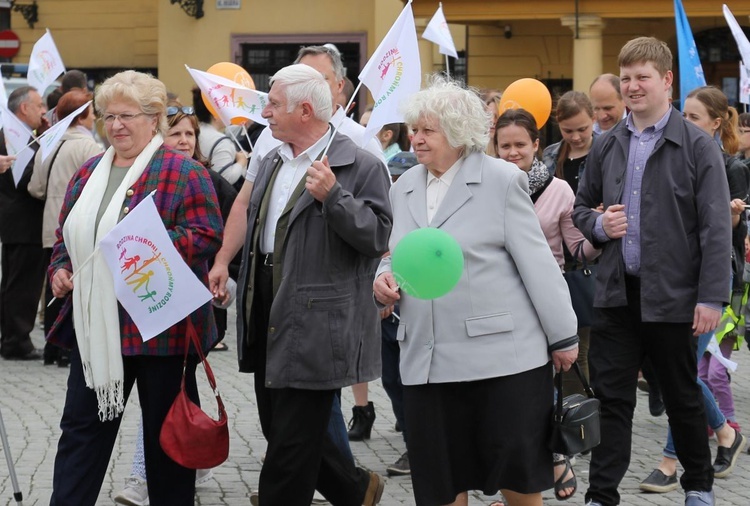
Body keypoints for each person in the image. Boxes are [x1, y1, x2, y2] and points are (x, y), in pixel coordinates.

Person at [374, 76, 578, 506]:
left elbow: (537, 264)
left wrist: (563, 337)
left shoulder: (502, 180)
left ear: (458, 132)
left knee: (517, 481)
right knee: (440, 485)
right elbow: (398, 253)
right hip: (426, 361)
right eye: (416, 128)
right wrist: (384, 276)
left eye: (428, 129)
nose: (417, 138)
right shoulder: (403, 185)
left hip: (501, 363)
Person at [209, 63, 391, 505]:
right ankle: (355, 491)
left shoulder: (359, 163)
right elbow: (249, 216)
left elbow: (376, 237)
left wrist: (335, 198)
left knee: (290, 446)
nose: (264, 111)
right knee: (280, 425)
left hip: (319, 316)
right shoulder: (271, 157)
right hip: (267, 299)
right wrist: (223, 260)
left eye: (272, 103)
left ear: (304, 110)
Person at [46, 70, 223, 506]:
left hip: (161, 329)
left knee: (167, 444)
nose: (116, 125)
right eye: (108, 116)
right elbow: (64, 237)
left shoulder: (183, 172)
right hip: (97, 330)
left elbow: (206, 235)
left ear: (155, 118)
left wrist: (145, 249)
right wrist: (60, 271)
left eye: (127, 115)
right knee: (80, 436)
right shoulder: (88, 172)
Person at [573, 37, 731, 506]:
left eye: (642, 77)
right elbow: (581, 209)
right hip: (617, 296)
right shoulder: (608, 145)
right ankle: (602, 495)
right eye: (626, 78)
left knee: (682, 397)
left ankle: (698, 488)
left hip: (675, 297)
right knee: (613, 399)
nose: (632, 87)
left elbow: (715, 228)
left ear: (666, 81)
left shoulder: (699, 146)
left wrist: (710, 298)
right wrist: (600, 225)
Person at [113, 99, 235, 506]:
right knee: (171, 399)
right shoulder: (140, 175)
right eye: (176, 132)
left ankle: (170, 468)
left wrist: (222, 266)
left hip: (183, 312)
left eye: (190, 133)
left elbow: (222, 230)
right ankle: (156, 470)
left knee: (175, 398)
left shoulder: (204, 178)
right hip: (138, 311)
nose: (184, 140)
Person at [638, 84, 749, 495]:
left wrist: (735, 216)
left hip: (711, 283)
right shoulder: (675, 155)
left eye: (694, 117)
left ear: (716, 124)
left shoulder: (730, 165)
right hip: (675, 282)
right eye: (683, 115)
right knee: (679, 375)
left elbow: (727, 233)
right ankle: (724, 433)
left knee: (681, 376)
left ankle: (671, 463)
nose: (685, 123)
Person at [494, 106, 599, 501]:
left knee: (540, 390)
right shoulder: (486, 185)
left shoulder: (558, 190)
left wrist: (602, 233)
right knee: (505, 392)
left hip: (542, 302)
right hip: (498, 301)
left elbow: (577, 249)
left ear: (536, 145)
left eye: (520, 144)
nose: (511, 152)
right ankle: (513, 474)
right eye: (504, 145)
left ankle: (554, 455)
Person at [28, 89, 103, 367]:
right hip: (76, 221)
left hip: (50, 219)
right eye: (92, 112)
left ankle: (50, 346)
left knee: (54, 282)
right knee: (74, 280)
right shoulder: (89, 147)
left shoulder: (48, 141)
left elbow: (35, 187)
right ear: (82, 115)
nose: (95, 117)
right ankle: (67, 346)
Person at [0, 86, 49, 360]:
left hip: (15, 221)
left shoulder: (17, 134)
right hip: (24, 220)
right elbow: (26, 178)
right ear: (24, 108)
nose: (43, 111)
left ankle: (11, 338)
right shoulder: (15, 137)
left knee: (13, 283)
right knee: (23, 285)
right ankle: (17, 342)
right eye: (39, 105)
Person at [192, 86, 249, 188]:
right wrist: (242, 161)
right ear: (215, 113)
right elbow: (225, 178)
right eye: (225, 107)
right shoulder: (221, 141)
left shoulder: (193, 131)